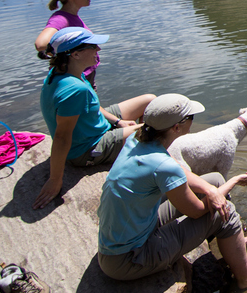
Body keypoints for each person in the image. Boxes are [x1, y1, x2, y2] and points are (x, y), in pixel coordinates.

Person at [97, 94, 247, 288]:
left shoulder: (137, 139)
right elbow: (198, 210)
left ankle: (235, 241)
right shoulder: (163, 167)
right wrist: (231, 182)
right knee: (225, 214)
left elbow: (179, 168)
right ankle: (246, 278)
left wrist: (210, 188)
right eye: (191, 117)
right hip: (129, 258)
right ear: (176, 128)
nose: (193, 120)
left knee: (215, 180)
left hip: (134, 228)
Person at [33, 27, 156, 210]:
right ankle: (144, 154)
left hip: (96, 124)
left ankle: (136, 146)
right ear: (74, 54)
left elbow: (92, 104)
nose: (98, 49)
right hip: (88, 148)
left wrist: (117, 122)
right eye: (93, 46)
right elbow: (61, 137)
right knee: (156, 129)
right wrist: (54, 179)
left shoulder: (66, 72)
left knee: (150, 101)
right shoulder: (74, 89)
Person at [34, 0, 100, 87]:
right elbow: (41, 44)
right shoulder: (61, 19)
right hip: (75, 80)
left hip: (83, 76)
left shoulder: (71, 16)